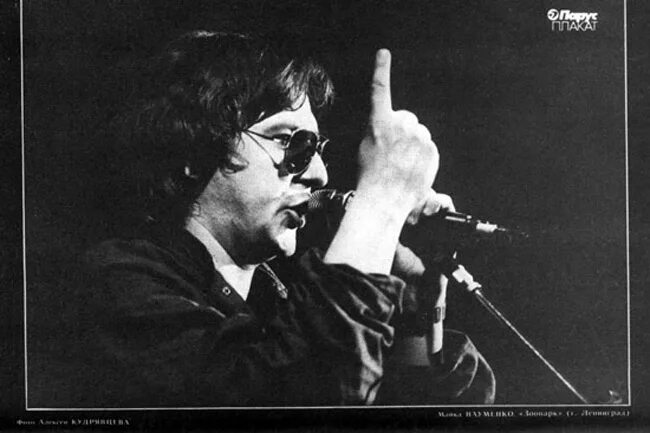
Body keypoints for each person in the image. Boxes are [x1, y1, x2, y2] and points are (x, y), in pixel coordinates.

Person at [37, 31, 494, 407]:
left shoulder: (279, 301)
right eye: (292, 143)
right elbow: (312, 395)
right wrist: (380, 203)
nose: (319, 174)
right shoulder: (115, 286)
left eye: (318, 150)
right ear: (194, 149)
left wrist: (414, 315)